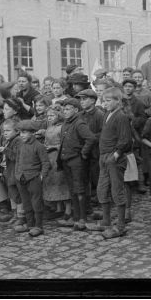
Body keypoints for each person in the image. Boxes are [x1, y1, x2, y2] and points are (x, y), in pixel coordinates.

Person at [91, 86, 133, 239]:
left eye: (108, 100)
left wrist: (116, 155)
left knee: (117, 190)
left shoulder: (121, 116)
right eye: (104, 100)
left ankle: (121, 226)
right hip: (104, 157)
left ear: (118, 101)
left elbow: (126, 140)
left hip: (114, 158)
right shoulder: (107, 114)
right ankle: (106, 221)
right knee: (102, 189)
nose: (105, 103)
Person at [58, 97, 96, 231]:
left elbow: (90, 138)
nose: (65, 111)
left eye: (68, 109)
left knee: (80, 189)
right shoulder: (65, 123)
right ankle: (75, 217)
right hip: (67, 161)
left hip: (77, 161)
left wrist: (83, 153)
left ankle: (82, 218)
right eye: (64, 109)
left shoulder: (79, 123)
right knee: (72, 189)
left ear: (75, 110)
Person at [14, 120, 51, 237]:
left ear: (32, 133)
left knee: (36, 202)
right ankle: (30, 224)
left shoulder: (39, 146)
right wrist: (17, 174)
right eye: (20, 133)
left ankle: (39, 226)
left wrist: (41, 176)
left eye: (24, 133)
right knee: (26, 203)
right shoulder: (20, 145)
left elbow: (46, 163)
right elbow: (17, 161)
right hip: (21, 178)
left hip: (34, 178)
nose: (21, 135)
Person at [77, 88, 104, 216]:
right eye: (81, 99)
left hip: (96, 152)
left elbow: (103, 133)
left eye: (84, 99)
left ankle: (101, 207)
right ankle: (87, 205)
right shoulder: (80, 115)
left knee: (97, 178)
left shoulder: (99, 115)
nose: (82, 102)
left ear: (93, 100)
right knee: (84, 179)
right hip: (83, 152)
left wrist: (90, 137)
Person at [43, 106, 72, 222]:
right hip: (49, 158)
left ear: (58, 115)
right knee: (53, 182)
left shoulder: (62, 127)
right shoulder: (49, 127)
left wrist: (54, 147)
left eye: (52, 115)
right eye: (48, 116)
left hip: (59, 157)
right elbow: (46, 140)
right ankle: (58, 208)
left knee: (62, 182)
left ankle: (68, 209)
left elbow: (66, 143)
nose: (49, 118)